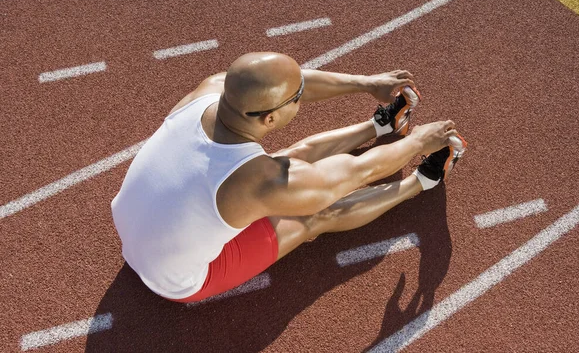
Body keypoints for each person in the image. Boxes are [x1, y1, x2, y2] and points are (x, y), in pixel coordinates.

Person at [111, 52, 467, 303]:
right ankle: (422, 182)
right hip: (174, 279)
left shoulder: (214, 89)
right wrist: (420, 141)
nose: (302, 99)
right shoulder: (255, 180)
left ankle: (381, 124)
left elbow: (293, 84)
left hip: (134, 230)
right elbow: (359, 172)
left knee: (290, 160)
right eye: (295, 101)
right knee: (314, 214)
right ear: (269, 119)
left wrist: (366, 83)